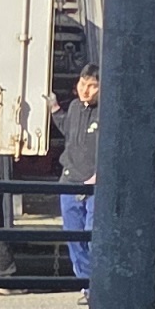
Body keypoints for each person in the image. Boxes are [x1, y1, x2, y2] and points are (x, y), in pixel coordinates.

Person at [53, 66, 100, 290]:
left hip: (94, 183)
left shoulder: (106, 111)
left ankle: (98, 286)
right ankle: (86, 285)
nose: (85, 90)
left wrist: (101, 174)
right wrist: (54, 109)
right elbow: (68, 129)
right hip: (70, 180)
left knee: (93, 236)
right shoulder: (74, 107)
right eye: (82, 84)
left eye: (92, 86)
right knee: (74, 238)